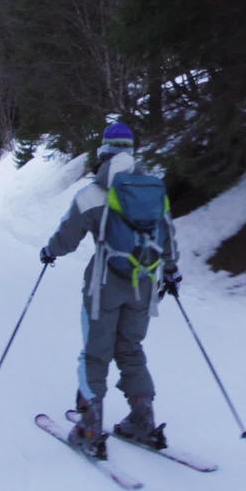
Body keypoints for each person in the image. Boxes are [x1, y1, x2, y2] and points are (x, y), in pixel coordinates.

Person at [39, 121, 181, 458]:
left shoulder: (91, 194)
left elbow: (67, 237)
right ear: (132, 153)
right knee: (130, 349)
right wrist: (171, 272)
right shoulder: (152, 191)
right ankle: (142, 420)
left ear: (104, 150)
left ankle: (90, 426)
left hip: (104, 288)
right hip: (144, 286)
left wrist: (49, 252)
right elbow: (169, 237)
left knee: (96, 352)